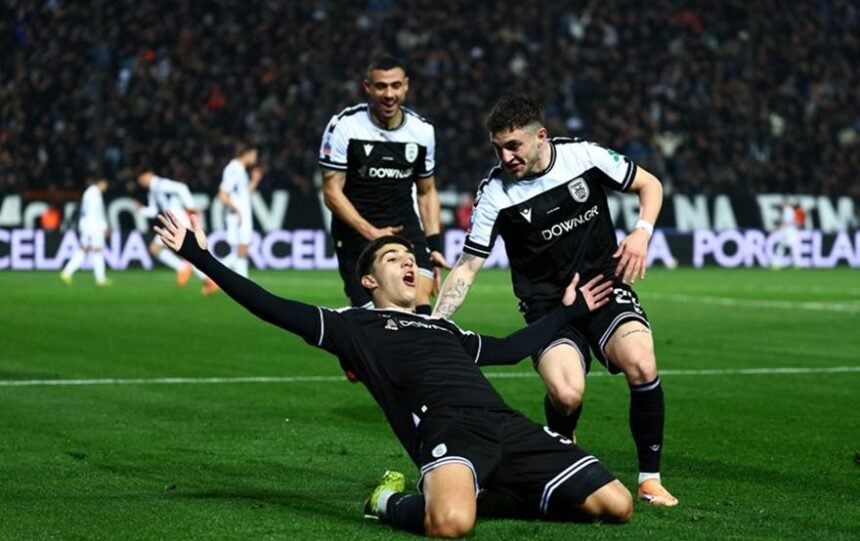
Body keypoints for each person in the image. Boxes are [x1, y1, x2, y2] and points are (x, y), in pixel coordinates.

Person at [153, 210, 632, 537]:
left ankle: (495, 491)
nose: (407, 262)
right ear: (369, 280)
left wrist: (568, 312)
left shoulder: (443, 327)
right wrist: (200, 256)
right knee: (451, 525)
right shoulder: (352, 326)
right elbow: (269, 306)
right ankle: (388, 501)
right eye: (392, 258)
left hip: (505, 423)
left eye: (409, 257)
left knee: (616, 506)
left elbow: (509, 350)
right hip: (448, 429)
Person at [433, 94, 678, 506]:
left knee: (642, 362)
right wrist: (435, 324)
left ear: (541, 136)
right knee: (567, 395)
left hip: (603, 288)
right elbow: (467, 266)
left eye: (514, 146)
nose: (506, 157)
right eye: (498, 148)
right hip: (549, 308)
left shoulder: (583, 157)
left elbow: (648, 184)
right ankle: (563, 441)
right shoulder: (495, 193)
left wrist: (642, 232)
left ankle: (649, 479)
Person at [318, 54, 449, 314]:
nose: (389, 94)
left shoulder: (422, 132)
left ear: (406, 85)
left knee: (420, 305)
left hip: (404, 225)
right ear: (367, 87)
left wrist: (434, 246)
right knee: (376, 316)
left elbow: (426, 192)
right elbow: (331, 192)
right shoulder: (345, 126)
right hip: (356, 232)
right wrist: (371, 232)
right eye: (381, 86)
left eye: (395, 86)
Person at [136, 169, 217, 295]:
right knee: (186, 253)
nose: (140, 182)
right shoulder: (153, 189)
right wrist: (141, 210)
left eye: (141, 178)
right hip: (173, 223)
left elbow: (181, 187)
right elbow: (153, 210)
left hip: (179, 221)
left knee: (157, 249)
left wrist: (191, 207)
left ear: (148, 174)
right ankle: (206, 279)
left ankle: (184, 268)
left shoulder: (160, 184)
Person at [218, 143, 262, 278]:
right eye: (254, 155)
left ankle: (242, 281)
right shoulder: (234, 169)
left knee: (242, 249)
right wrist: (237, 210)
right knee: (242, 248)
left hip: (242, 213)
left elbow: (243, 194)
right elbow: (223, 195)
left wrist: (255, 181)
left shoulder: (241, 170)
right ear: (246, 154)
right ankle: (213, 272)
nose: (255, 158)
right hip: (238, 215)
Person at [60, 177, 111, 286]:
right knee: (97, 250)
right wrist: (103, 226)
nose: (106, 187)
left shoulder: (89, 192)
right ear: (100, 182)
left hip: (87, 225)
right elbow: (94, 213)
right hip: (93, 226)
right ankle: (100, 279)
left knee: (84, 249)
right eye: (105, 184)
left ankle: (67, 272)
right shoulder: (94, 194)